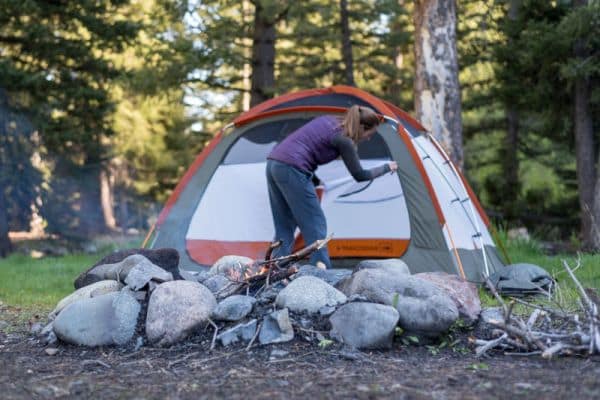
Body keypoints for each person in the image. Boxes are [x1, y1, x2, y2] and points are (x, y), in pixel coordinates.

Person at [266, 105, 398, 269]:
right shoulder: (343, 139)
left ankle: (275, 271)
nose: (368, 138)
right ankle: (321, 270)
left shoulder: (328, 120)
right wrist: (387, 167)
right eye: (369, 134)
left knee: (284, 226)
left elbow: (305, 146)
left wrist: (314, 180)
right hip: (292, 169)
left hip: (274, 164)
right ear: (362, 127)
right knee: (315, 223)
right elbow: (360, 175)